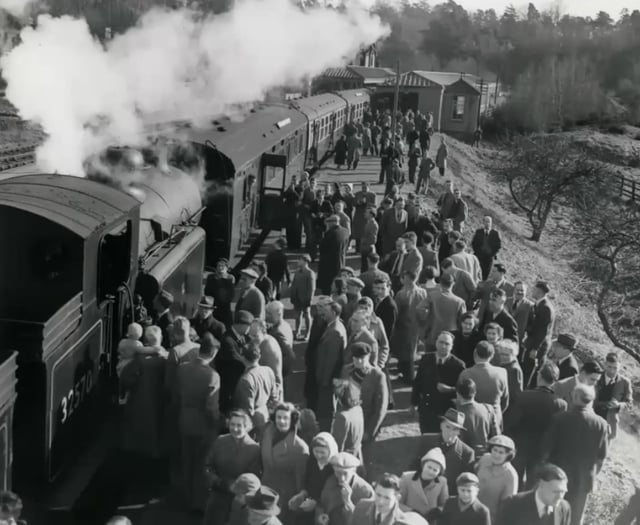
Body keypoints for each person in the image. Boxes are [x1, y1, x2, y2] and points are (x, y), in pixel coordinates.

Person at [541, 384, 609, 525]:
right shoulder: (601, 424)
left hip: (556, 476)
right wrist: (592, 476)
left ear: (576, 397)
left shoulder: (560, 419)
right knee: (574, 519)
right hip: (583, 479)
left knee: (550, 516)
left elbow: (546, 449)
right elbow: (601, 457)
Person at [176, 334, 221, 511]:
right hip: (203, 426)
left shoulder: (183, 368)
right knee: (202, 465)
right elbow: (211, 408)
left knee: (187, 461)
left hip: (184, 421)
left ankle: (186, 498)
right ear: (214, 353)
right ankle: (198, 503)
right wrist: (217, 423)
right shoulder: (212, 376)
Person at [504, 361, 567, 489]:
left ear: (539, 376)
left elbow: (511, 422)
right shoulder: (560, 404)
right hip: (542, 450)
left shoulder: (523, 396)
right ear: (555, 381)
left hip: (520, 446)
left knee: (515, 481)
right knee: (534, 484)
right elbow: (559, 431)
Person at [203, 410, 261, 525]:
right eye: (232, 425)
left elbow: (254, 478)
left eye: (239, 425)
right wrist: (218, 482)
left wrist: (238, 488)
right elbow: (208, 466)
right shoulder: (220, 441)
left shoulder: (254, 449)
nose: (235, 428)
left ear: (246, 427)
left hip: (239, 501)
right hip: (218, 494)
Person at [340, 342, 388, 474]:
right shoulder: (346, 371)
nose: (359, 361)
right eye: (356, 358)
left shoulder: (377, 376)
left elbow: (380, 409)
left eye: (363, 358)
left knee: (366, 463)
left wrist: (369, 431)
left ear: (369, 357)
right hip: (350, 425)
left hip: (367, 426)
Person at [261, 403, 310, 525]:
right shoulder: (267, 434)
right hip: (264, 493)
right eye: (278, 417)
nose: (281, 421)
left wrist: (297, 502)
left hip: (284, 500)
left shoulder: (300, 448)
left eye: (285, 418)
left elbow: (301, 482)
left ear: (292, 420)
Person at [411, 331, 466, 433]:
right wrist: (414, 403)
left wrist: (449, 390)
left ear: (452, 346)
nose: (443, 346)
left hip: (446, 411)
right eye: (441, 342)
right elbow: (418, 382)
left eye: (447, 344)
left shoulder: (458, 365)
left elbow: (462, 391)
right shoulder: (426, 359)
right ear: (436, 343)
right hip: (427, 408)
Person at [415, 409, 475, 496]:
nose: (450, 432)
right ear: (441, 426)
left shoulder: (467, 452)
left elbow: (466, 482)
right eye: (447, 427)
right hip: (424, 491)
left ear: (459, 432)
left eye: (455, 429)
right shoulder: (427, 441)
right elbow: (416, 466)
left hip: (449, 496)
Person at [496, 463, 572, 525]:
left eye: (563, 492)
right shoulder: (513, 504)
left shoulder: (564, 507)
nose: (560, 497)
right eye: (555, 491)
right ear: (541, 484)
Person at [289, 433, 339, 525]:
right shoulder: (311, 462)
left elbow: (333, 495)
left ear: (330, 451)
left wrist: (316, 503)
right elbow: (307, 481)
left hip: (325, 510)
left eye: (322, 452)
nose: (319, 456)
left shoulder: (334, 468)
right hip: (309, 503)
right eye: (316, 451)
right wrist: (302, 494)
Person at [458, 341, 509, 430]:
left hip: (472, 419)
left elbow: (460, 399)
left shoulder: (465, 374)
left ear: (475, 353)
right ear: (492, 355)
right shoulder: (502, 372)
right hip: (495, 418)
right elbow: (505, 400)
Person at [233, 342, 280, 439]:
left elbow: (247, 411)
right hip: (266, 419)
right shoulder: (268, 371)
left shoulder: (246, 380)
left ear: (242, 357)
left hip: (253, 428)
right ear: (259, 356)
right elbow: (274, 399)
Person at [391, 270, 428, 383]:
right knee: (412, 350)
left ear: (404, 279)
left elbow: (396, 311)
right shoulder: (423, 292)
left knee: (407, 352)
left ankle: (410, 377)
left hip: (404, 325)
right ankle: (402, 369)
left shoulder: (401, 294)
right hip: (417, 324)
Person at [317, 452, 374, 525]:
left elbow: (366, 520)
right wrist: (320, 517)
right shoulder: (330, 482)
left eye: (345, 473)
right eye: (338, 473)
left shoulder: (365, 490)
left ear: (353, 471)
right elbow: (321, 504)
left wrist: (348, 502)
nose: (342, 478)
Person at [352, 473, 429, 525]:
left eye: (387, 498)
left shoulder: (404, 522)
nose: (381, 502)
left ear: (397, 498)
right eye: (378, 495)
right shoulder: (361, 507)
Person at [216, 310, 254, 415]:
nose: (250, 328)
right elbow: (239, 361)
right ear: (240, 325)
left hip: (239, 382)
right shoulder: (227, 340)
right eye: (248, 325)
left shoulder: (245, 337)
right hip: (229, 386)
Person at [476, 435, 519, 522]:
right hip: (473, 511)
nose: (496, 455)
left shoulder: (511, 475)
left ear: (508, 455)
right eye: (494, 450)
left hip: (491, 519)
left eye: (501, 452)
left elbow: (507, 505)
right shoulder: (484, 459)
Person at [399, 448, 449, 520]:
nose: (431, 472)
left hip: (430, 521)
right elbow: (397, 502)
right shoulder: (407, 478)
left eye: (435, 470)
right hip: (409, 520)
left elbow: (445, 504)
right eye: (429, 467)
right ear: (423, 465)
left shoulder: (442, 482)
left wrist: (437, 511)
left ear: (439, 472)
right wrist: (411, 511)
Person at [455, 377, 499, 457]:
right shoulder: (488, 409)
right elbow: (496, 436)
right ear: (475, 392)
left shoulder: (457, 415)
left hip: (467, 457)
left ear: (458, 394)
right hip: (486, 455)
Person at [594, 352, 632, 441]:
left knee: (604, 452)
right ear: (604, 364)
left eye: (615, 368)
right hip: (592, 417)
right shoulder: (595, 376)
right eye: (609, 367)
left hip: (610, 423)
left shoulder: (625, 382)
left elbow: (629, 404)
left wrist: (618, 405)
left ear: (619, 367)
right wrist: (605, 404)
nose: (612, 371)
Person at [317, 215, 350, 295]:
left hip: (328, 262)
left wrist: (326, 232)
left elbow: (322, 248)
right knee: (339, 280)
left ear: (331, 223)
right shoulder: (345, 231)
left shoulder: (330, 233)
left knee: (327, 285)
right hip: (341, 259)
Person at [332, 380, 365, 459]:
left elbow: (338, 444)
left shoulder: (342, 417)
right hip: (356, 454)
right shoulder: (358, 409)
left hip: (345, 459)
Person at [290, 254, 316, 341]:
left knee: (307, 315)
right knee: (297, 316)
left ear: (305, 261)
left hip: (305, 298)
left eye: (300, 260)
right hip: (297, 298)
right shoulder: (297, 272)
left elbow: (312, 288)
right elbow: (294, 284)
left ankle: (307, 333)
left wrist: (309, 299)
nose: (298, 262)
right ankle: (297, 331)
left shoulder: (310, 273)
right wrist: (293, 296)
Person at [204, 258, 236, 328]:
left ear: (227, 268)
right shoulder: (211, 277)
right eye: (219, 266)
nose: (220, 268)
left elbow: (230, 295)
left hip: (225, 308)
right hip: (213, 306)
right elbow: (207, 292)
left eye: (223, 266)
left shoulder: (230, 278)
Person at [471, 216, 502, 281]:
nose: (487, 223)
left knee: (486, 273)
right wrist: (477, 252)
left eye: (489, 222)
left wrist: (492, 254)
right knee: (476, 271)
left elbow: (498, 246)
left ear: (491, 223)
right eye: (486, 221)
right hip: (479, 255)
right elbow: (474, 243)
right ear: (483, 222)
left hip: (489, 257)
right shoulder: (479, 232)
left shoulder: (495, 233)